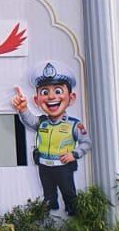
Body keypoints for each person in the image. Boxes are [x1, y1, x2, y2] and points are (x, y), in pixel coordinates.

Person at [11, 62, 91, 216]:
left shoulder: (74, 125)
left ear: (71, 97)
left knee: (68, 192)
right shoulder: (42, 122)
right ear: (37, 100)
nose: (51, 97)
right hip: (44, 166)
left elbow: (86, 143)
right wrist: (23, 109)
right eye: (45, 92)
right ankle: (50, 210)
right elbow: (30, 121)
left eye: (58, 91)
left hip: (63, 166)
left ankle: (73, 212)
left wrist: (74, 154)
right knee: (48, 193)